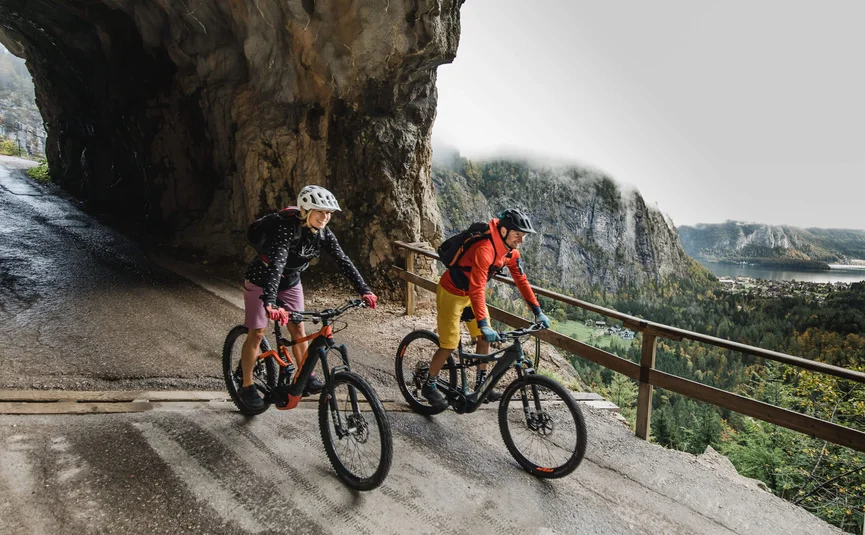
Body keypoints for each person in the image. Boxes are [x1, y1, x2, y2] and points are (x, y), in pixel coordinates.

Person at [239, 185, 378, 410]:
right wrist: (271, 302)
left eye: (329, 213)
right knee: (257, 333)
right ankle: (246, 385)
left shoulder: (323, 233)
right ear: (306, 210)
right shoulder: (287, 228)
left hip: (291, 281)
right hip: (261, 281)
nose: (326, 217)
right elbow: (277, 264)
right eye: (320, 211)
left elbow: (343, 260)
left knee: (298, 330)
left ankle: (306, 375)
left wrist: (364, 290)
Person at [423, 209, 550, 409]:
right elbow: (477, 288)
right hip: (452, 293)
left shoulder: (510, 253)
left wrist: (537, 311)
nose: (521, 241)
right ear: (504, 231)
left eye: (523, 236)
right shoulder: (485, 249)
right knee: (449, 344)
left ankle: (482, 386)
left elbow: (521, 281)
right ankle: (429, 384)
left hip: (471, 296)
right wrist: (484, 324)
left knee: (483, 339)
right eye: (518, 235)